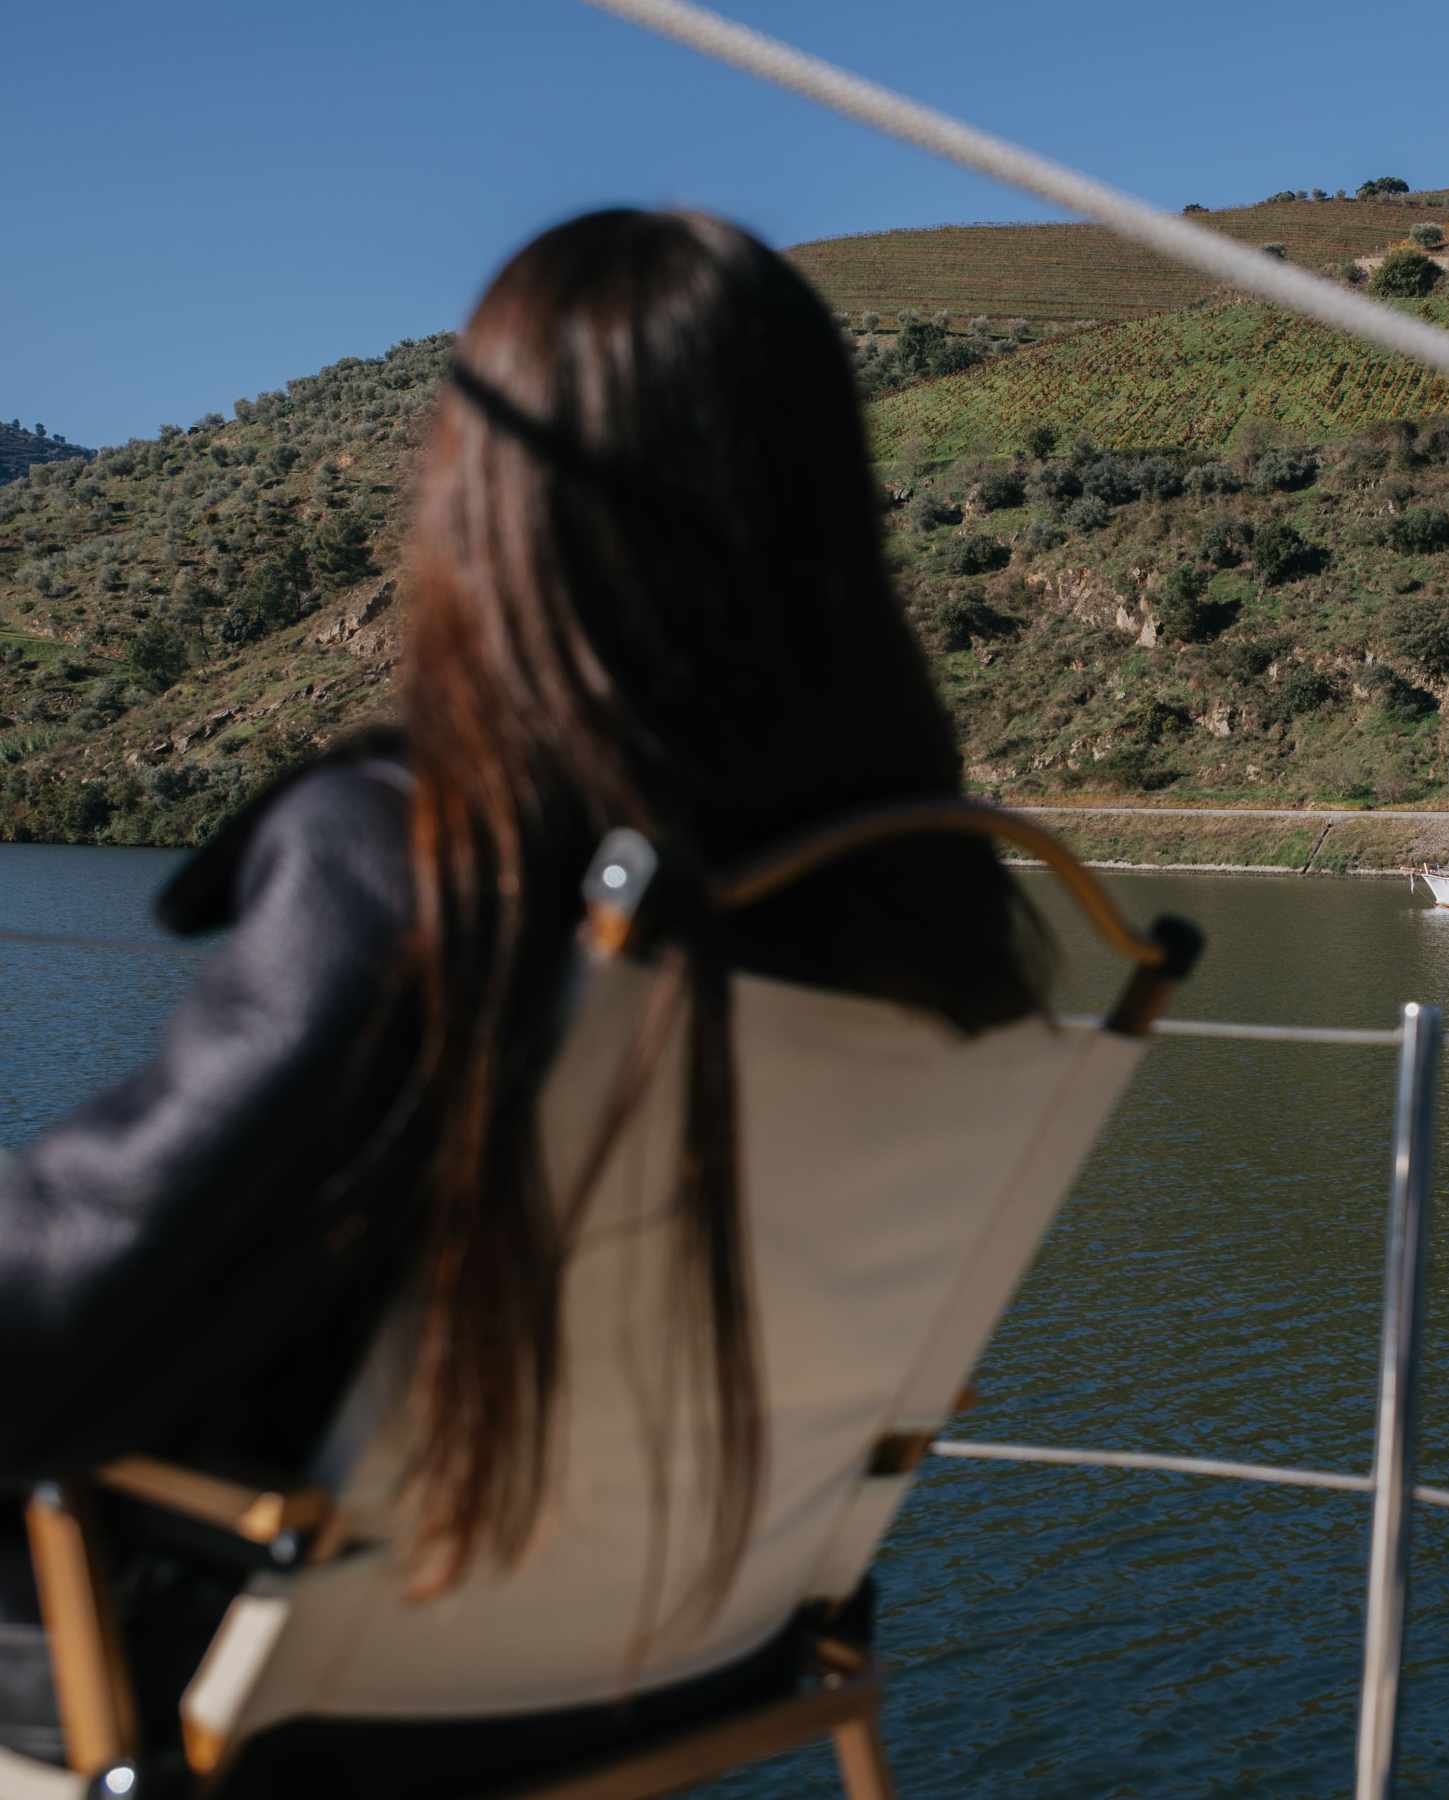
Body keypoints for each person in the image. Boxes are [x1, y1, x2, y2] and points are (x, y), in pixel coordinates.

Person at [0, 209, 1047, 1784]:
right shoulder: (939, 927)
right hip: (688, 1660)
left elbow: (53, 1326)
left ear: (484, 501)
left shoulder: (422, 867)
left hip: (223, 1674)